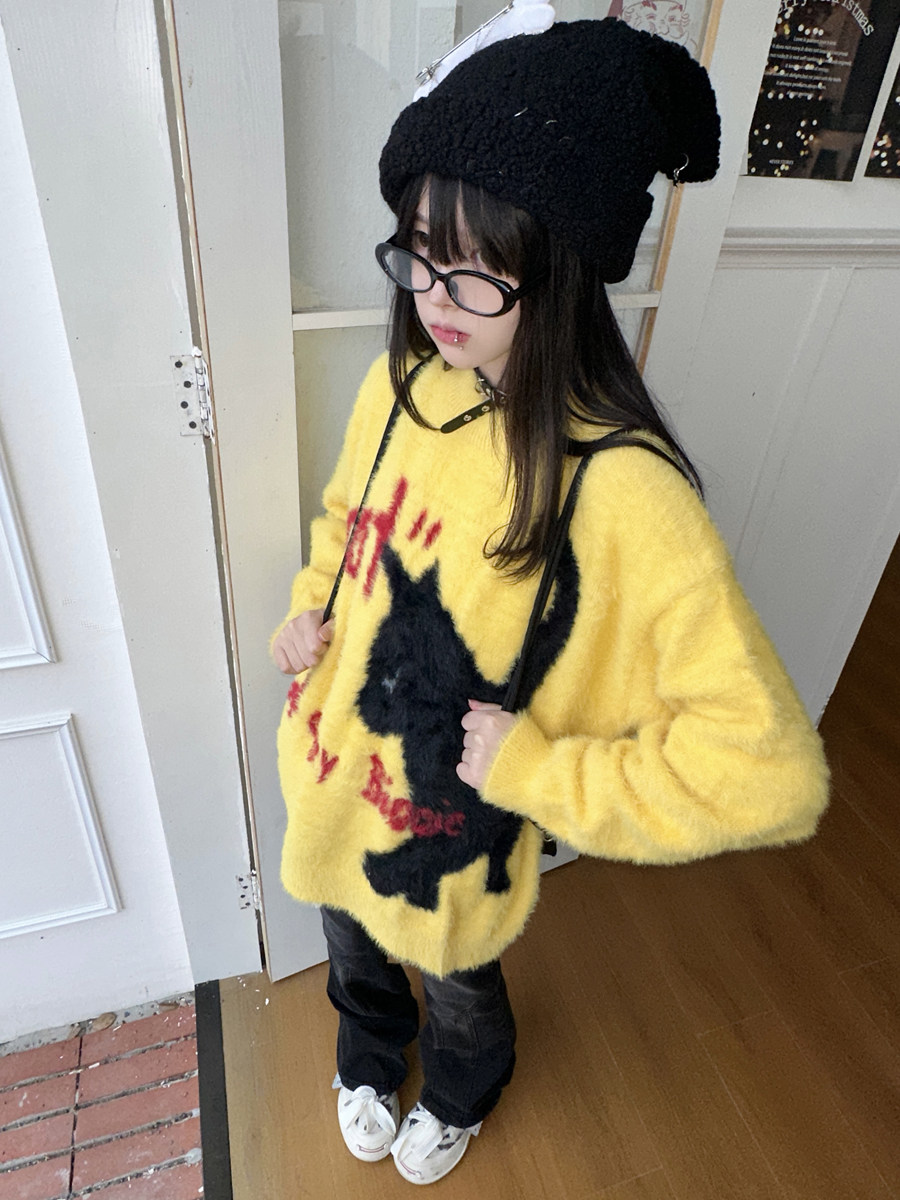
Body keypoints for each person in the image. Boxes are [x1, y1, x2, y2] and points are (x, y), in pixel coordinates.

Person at [270, 15, 829, 1187]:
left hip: (453, 838)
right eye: (420, 252)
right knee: (349, 940)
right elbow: (347, 521)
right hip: (331, 767)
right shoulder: (402, 382)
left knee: (459, 988)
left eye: (478, 265)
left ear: (563, 265)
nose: (436, 295)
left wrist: (540, 772)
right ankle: (367, 1054)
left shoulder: (621, 489)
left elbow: (765, 766)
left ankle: (463, 1087)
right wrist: (311, 611)